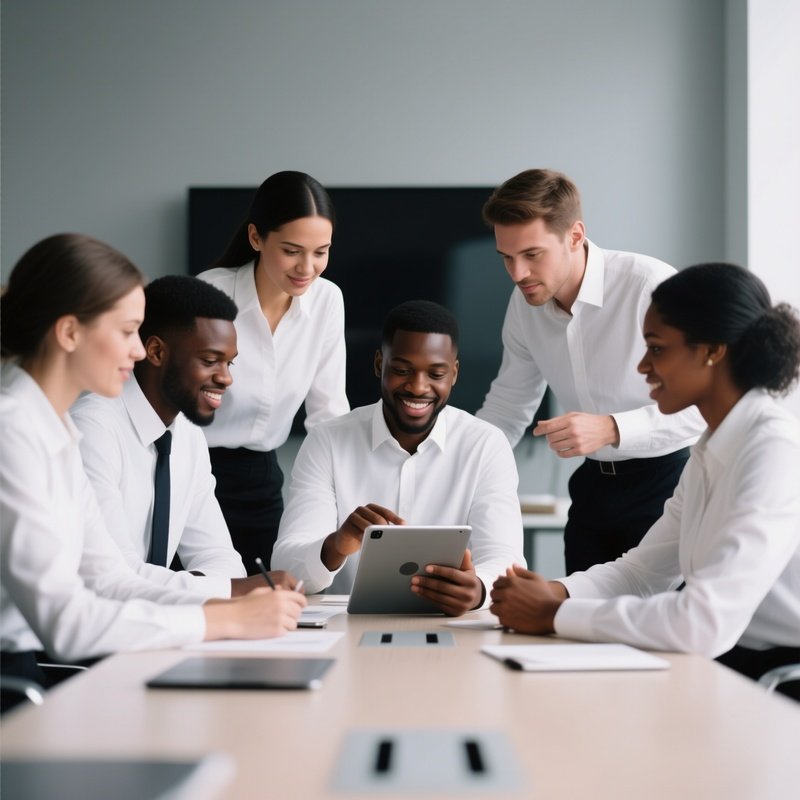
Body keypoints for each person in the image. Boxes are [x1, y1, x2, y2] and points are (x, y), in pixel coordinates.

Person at [0, 234, 305, 699]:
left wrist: (232, 602)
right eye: (126, 332)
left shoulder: (55, 429)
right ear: (69, 333)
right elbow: (66, 622)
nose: (139, 351)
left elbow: (110, 578)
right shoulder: (12, 431)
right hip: (18, 677)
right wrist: (220, 616)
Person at [490, 263, 800, 695]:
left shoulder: (773, 451)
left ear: (712, 351)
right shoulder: (712, 448)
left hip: (780, 675)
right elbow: (641, 573)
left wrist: (554, 614)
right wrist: (555, 592)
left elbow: (703, 622)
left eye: (656, 349)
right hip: (731, 659)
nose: (642, 366)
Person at [476, 168, 705, 573]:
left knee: (655, 628)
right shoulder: (522, 305)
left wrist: (612, 428)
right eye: (506, 258)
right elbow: (509, 406)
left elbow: (702, 407)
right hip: (591, 490)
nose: (517, 274)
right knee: (575, 622)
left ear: (575, 235)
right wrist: (453, 461)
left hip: (668, 487)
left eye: (532, 255)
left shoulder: (648, 285)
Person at [272, 300, 524, 615]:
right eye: (402, 370)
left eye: (436, 373)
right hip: (345, 629)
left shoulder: (485, 444)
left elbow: (506, 557)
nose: (418, 387)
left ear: (454, 374)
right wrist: (337, 544)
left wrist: (479, 590)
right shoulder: (327, 441)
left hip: (454, 626)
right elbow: (286, 567)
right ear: (380, 364)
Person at [71, 275, 294, 600]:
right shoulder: (93, 430)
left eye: (229, 363)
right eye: (209, 361)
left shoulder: (187, 435)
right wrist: (225, 588)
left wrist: (213, 586)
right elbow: (115, 577)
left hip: (153, 628)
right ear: (156, 352)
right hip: (86, 638)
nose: (227, 378)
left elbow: (222, 559)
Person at [197, 171, 349, 574]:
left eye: (321, 251)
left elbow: (329, 414)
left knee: (270, 599)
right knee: (197, 600)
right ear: (256, 238)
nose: (308, 267)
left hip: (263, 479)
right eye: (292, 250)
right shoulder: (210, 294)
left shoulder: (328, 301)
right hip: (194, 469)